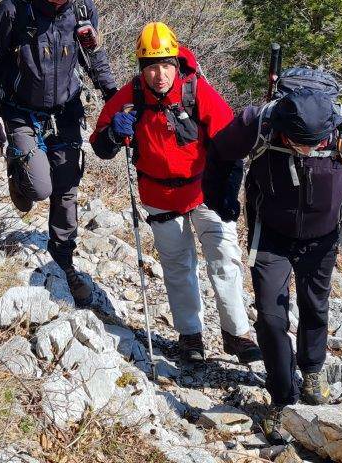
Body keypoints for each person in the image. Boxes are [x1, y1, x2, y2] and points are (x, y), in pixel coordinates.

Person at [206, 68, 342, 442]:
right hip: (270, 234)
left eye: (312, 145)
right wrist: (221, 198)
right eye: (297, 144)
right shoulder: (258, 121)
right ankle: (282, 398)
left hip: (323, 237)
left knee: (315, 306)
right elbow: (218, 152)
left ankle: (312, 372)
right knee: (271, 316)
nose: (305, 150)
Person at [91, 21, 259, 364]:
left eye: (166, 64)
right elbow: (100, 145)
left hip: (205, 189)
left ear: (176, 61)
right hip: (160, 195)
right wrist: (113, 134)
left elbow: (230, 142)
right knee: (178, 265)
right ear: (141, 68)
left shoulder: (196, 91)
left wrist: (228, 192)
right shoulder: (130, 97)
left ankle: (237, 334)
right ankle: (190, 336)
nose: (159, 73)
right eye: (151, 65)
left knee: (225, 257)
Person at [0, 0, 119, 306]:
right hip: (21, 110)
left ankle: (64, 258)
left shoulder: (81, 8)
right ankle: (18, 165)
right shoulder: (13, 11)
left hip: (66, 108)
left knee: (67, 184)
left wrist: (113, 95)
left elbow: (93, 54)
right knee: (38, 189)